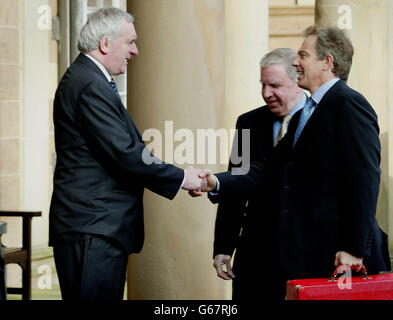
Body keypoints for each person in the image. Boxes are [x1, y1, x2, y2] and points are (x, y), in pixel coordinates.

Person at [198, 25, 391, 297]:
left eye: (303, 54)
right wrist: (215, 181)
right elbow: (268, 169)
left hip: (334, 254)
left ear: (327, 62)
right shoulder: (306, 115)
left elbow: (364, 179)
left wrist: (354, 248)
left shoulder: (348, 104)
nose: (296, 61)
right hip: (287, 256)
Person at [49, 7, 204, 301]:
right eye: (130, 42)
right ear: (105, 44)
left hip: (95, 228)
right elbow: (126, 154)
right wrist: (183, 177)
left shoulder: (88, 79)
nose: (135, 51)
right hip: (93, 229)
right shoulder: (90, 84)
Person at [212, 48, 306, 300]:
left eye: (274, 85)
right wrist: (223, 246)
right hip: (255, 252)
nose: (266, 93)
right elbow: (236, 183)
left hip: (305, 252)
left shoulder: (320, 119)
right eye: (262, 85)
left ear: (298, 80)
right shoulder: (248, 123)